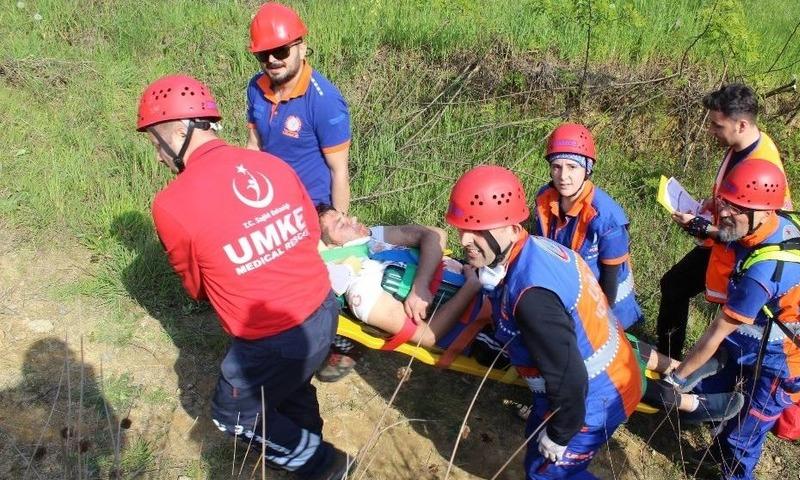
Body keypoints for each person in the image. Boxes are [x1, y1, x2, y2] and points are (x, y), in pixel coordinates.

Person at [136, 74, 347, 479]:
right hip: (323, 310)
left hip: (271, 340)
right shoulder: (271, 164)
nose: (159, 157)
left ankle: (323, 464)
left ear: (180, 131)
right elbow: (307, 233)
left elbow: (196, 287)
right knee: (291, 385)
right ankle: (308, 449)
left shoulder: (171, 204)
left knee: (232, 414)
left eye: (155, 142)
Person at [446, 165, 644, 479]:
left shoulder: (532, 297)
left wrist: (561, 433)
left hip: (591, 400)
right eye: (461, 228)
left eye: (479, 229)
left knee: (547, 474)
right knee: (537, 461)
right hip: (592, 385)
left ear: (511, 226)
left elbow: (571, 378)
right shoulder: (533, 249)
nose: (465, 239)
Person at [664, 159, 800, 479]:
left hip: (784, 363)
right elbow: (732, 234)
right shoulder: (774, 223)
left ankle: (733, 472)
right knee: (711, 392)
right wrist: (703, 227)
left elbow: (717, 332)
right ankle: (716, 453)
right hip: (756, 340)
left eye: (735, 208)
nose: (724, 213)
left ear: (763, 211)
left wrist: (676, 379)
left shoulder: (764, 273)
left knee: (744, 434)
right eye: (725, 202)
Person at [245, 2, 357, 380]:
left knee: (317, 282)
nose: (273, 60)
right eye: (265, 54)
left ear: (302, 48)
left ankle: (337, 344)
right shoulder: (256, 89)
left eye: (281, 50)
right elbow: (254, 145)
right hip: (269, 201)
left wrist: (338, 231)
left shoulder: (324, 103)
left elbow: (339, 171)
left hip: (313, 208)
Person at [657, 83, 792, 358]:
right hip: (721, 245)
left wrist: (703, 227)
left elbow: (761, 229)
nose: (711, 131)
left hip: (743, 257)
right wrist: (714, 204)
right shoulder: (742, 144)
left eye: (718, 126)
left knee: (727, 329)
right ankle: (667, 360)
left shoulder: (763, 161)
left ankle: (693, 381)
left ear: (742, 124)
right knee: (674, 285)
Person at [317, 205, 483, 348]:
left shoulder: (371, 237)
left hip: (481, 280)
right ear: (329, 247)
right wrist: (470, 288)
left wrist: (421, 285)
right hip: (479, 321)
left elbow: (435, 235)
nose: (352, 219)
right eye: (340, 224)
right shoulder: (361, 287)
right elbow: (427, 336)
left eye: (344, 215)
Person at [534, 123, 643, 329]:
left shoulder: (607, 218)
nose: (563, 176)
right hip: (568, 293)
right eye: (556, 166)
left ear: (587, 169)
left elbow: (610, 282)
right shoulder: (544, 198)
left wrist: (601, 322)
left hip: (610, 308)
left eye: (572, 167)